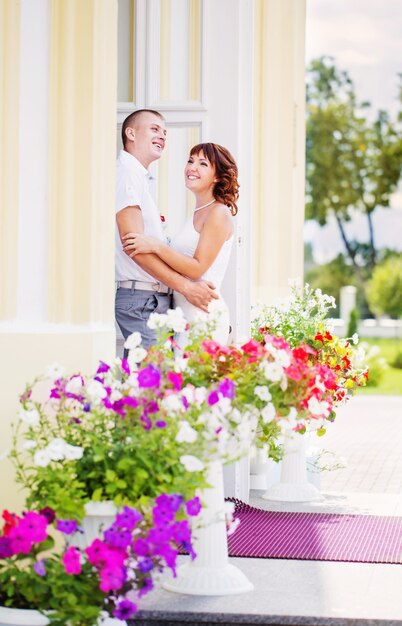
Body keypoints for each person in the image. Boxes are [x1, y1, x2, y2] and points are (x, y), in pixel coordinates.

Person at [115, 110, 218, 350]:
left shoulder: (139, 178)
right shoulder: (128, 173)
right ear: (130, 133)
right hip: (141, 300)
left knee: (154, 382)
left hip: (153, 299)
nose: (162, 135)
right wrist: (187, 287)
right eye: (154, 129)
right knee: (152, 381)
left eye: (164, 132)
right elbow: (134, 247)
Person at [122, 142, 239, 348]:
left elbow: (197, 268)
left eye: (203, 163)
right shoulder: (199, 212)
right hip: (183, 312)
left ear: (218, 176)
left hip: (203, 314)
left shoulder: (218, 213)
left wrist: (156, 246)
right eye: (190, 161)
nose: (192, 167)